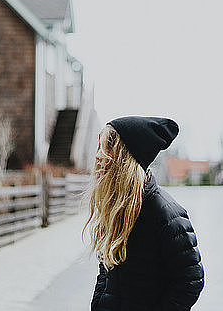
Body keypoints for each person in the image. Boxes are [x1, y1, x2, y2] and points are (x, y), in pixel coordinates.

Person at [84, 116, 204, 311]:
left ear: (126, 157)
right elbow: (106, 272)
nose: (98, 156)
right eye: (99, 146)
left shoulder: (166, 213)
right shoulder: (116, 207)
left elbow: (190, 281)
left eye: (108, 147)